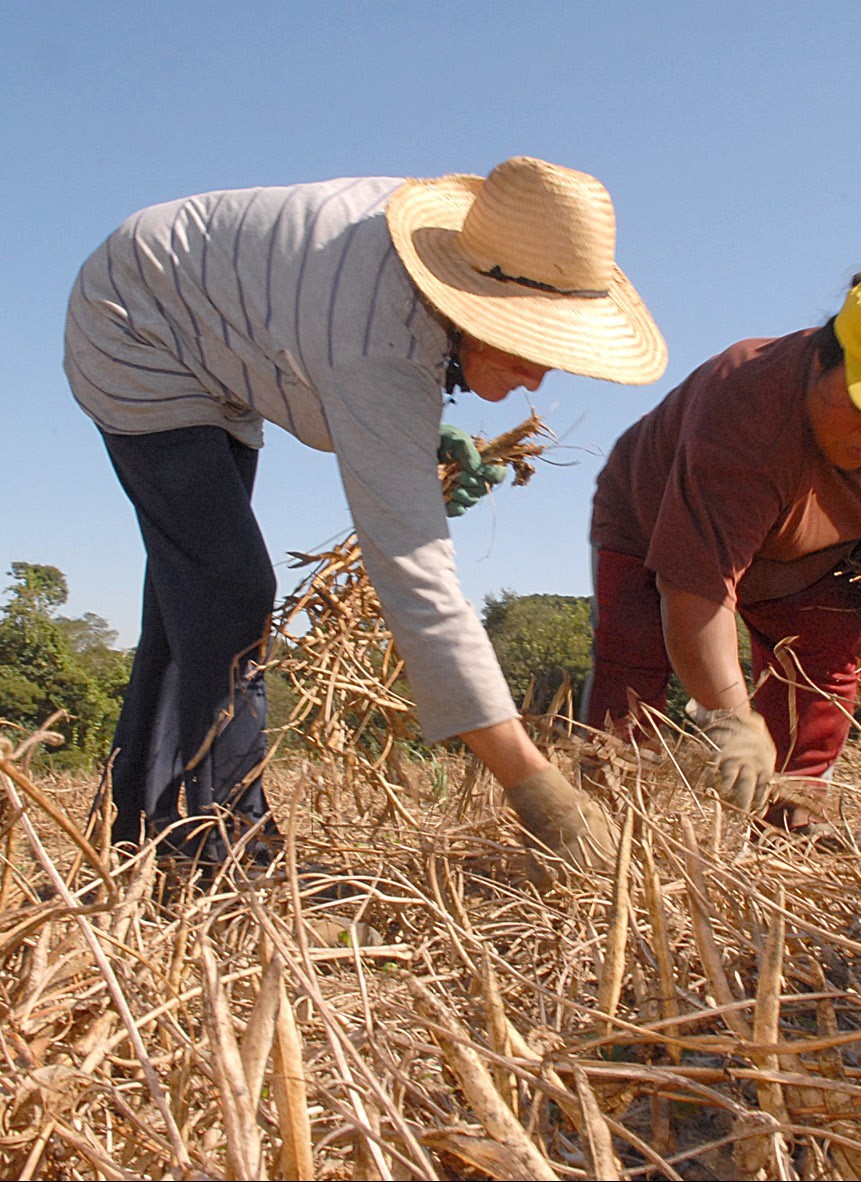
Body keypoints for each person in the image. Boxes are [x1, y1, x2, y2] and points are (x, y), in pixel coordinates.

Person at [64, 156, 667, 870]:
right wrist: (536, 788)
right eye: (531, 343)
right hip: (136, 325)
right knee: (228, 591)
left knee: (190, 602)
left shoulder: (442, 270)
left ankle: (144, 835)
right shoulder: (377, 336)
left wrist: (418, 435)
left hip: (210, 326)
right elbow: (415, 577)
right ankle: (232, 852)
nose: (540, 374)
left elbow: (346, 365)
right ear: (472, 300)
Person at [584, 266, 861, 836]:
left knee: (823, 668)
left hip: (810, 554)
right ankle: (598, 821)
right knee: (632, 665)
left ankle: (794, 816)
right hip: (651, 525)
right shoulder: (745, 410)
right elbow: (696, 590)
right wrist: (730, 718)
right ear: (821, 361)